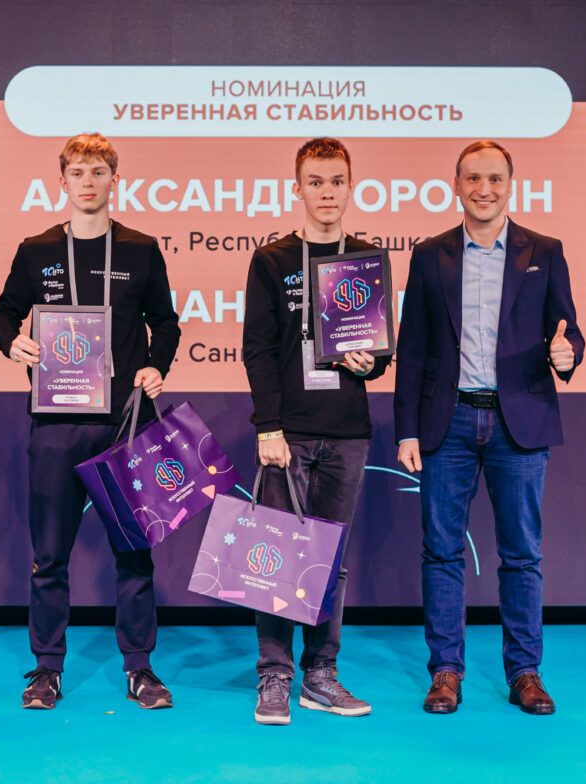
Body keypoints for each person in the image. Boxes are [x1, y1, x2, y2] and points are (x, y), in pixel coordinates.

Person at [0, 133, 181, 710]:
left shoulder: (141, 249)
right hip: (57, 423)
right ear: (63, 181)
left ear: (114, 179)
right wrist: (14, 344)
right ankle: (46, 669)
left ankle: (139, 667)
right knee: (49, 557)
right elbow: (2, 316)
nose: (89, 182)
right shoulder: (37, 249)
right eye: (78, 172)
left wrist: (156, 365)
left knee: (134, 553)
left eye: (99, 172)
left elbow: (166, 322)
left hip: (125, 423)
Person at [393, 140, 585, 715]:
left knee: (522, 554)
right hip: (445, 422)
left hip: (517, 422)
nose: (484, 189)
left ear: (510, 184)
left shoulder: (545, 251)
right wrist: (406, 430)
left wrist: (567, 353)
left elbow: (569, 331)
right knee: (441, 551)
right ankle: (445, 672)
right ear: (457, 185)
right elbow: (413, 348)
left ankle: (525, 672)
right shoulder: (429, 255)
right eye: (473, 178)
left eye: (495, 179)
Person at [242, 138, 391, 726]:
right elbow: (257, 349)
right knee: (276, 557)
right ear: (297, 188)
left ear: (350, 188)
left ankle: (320, 674)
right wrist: (268, 428)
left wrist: (370, 363)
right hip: (289, 434)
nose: (326, 192)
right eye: (315, 182)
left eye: (336, 182)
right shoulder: (272, 260)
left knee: (331, 560)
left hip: (347, 432)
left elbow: (381, 351)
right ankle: (274, 676)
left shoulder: (367, 258)